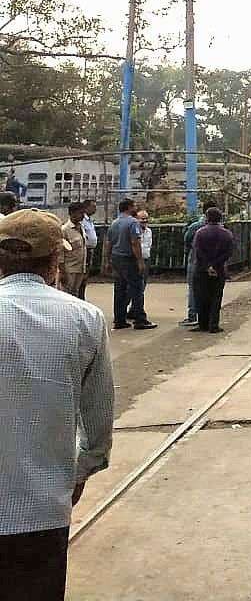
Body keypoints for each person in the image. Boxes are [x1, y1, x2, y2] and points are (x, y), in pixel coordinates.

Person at [0, 210, 113, 600]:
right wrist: (81, 470)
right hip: (42, 507)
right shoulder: (85, 318)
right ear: (55, 262)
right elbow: (98, 418)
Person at [106, 198, 153, 330]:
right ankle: (140, 320)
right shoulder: (133, 222)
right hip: (128, 259)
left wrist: (108, 260)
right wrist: (140, 261)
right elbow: (134, 242)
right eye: (134, 206)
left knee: (120, 290)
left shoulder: (114, 223)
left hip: (116, 259)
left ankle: (119, 320)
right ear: (128, 207)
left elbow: (109, 243)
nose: (135, 208)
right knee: (137, 289)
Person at [191, 209, 235, 333]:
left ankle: (202, 324)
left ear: (207, 218)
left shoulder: (200, 233)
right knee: (216, 297)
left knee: (201, 296)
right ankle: (213, 324)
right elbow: (229, 252)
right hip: (219, 269)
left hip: (201, 269)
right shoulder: (227, 234)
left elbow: (198, 251)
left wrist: (207, 265)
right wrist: (215, 265)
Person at [181, 204, 216, 327]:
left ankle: (193, 315)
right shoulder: (220, 228)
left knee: (193, 287)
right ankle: (208, 317)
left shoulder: (195, 227)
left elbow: (186, 240)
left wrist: (189, 252)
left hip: (195, 259)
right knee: (211, 289)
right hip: (212, 260)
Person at [59, 202, 88, 299]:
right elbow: (61, 254)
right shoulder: (64, 230)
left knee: (75, 295)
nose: (83, 216)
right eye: (80, 213)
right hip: (69, 270)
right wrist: (62, 272)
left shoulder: (81, 228)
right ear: (72, 213)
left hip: (80, 268)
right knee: (66, 296)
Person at [136, 209, 153, 284]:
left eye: (146, 218)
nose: (145, 220)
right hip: (136, 260)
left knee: (144, 281)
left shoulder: (149, 231)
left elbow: (149, 244)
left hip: (146, 259)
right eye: (142, 219)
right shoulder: (134, 231)